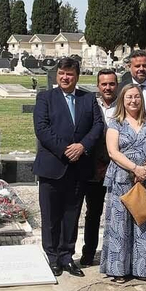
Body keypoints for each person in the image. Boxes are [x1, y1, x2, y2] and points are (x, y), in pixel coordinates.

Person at [33, 56, 101, 277]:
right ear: (57, 75)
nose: (65, 77)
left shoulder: (88, 98)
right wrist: (66, 150)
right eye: (61, 73)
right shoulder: (45, 98)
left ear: (76, 76)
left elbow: (98, 126)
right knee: (51, 216)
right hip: (53, 166)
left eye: (69, 74)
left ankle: (66, 256)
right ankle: (52, 257)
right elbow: (42, 129)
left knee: (72, 214)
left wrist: (82, 147)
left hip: (78, 168)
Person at [101, 83, 146, 282]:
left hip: (145, 179)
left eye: (136, 96)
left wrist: (145, 168)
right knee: (120, 226)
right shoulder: (116, 123)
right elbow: (113, 151)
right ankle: (118, 270)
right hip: (121, 178)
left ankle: (141, 269)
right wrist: (134, 168)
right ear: (123, 99)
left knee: (143, 222)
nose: (133, 100)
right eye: (129, 97)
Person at [80, 69, 120, 267]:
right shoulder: (89, 105)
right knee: (93, 212)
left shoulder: (124, 105)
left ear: (117, 86)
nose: (108, 88)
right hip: (95, 167)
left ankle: (116, 253)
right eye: (104, 84)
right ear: (98, 86)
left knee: (118, 212)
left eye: (111, 84)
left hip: (119, 166)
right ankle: (89, 252)